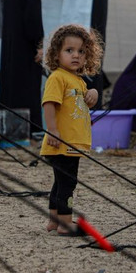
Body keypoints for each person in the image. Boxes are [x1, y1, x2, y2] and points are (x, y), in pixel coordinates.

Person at [40, 24, 103, 235]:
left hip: (70, 143)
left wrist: (93, 93)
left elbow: (82, 105)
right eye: (69, 50)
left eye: (81, 51)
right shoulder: (57, 77)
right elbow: (49, 103)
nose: (76, 55)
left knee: (60, 182)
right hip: (61, 142)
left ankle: (54, 221)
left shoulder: (78, 81)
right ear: (56, 54)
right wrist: (52, 130)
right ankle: (66, 224)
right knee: (68, 183)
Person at [0, 0, 54, 130]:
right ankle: (29, 130)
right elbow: (32, 17)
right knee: (27, 88)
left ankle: (11, 129)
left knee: (12, 88)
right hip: (25, 47)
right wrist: (39, 45)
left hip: (12, 45)